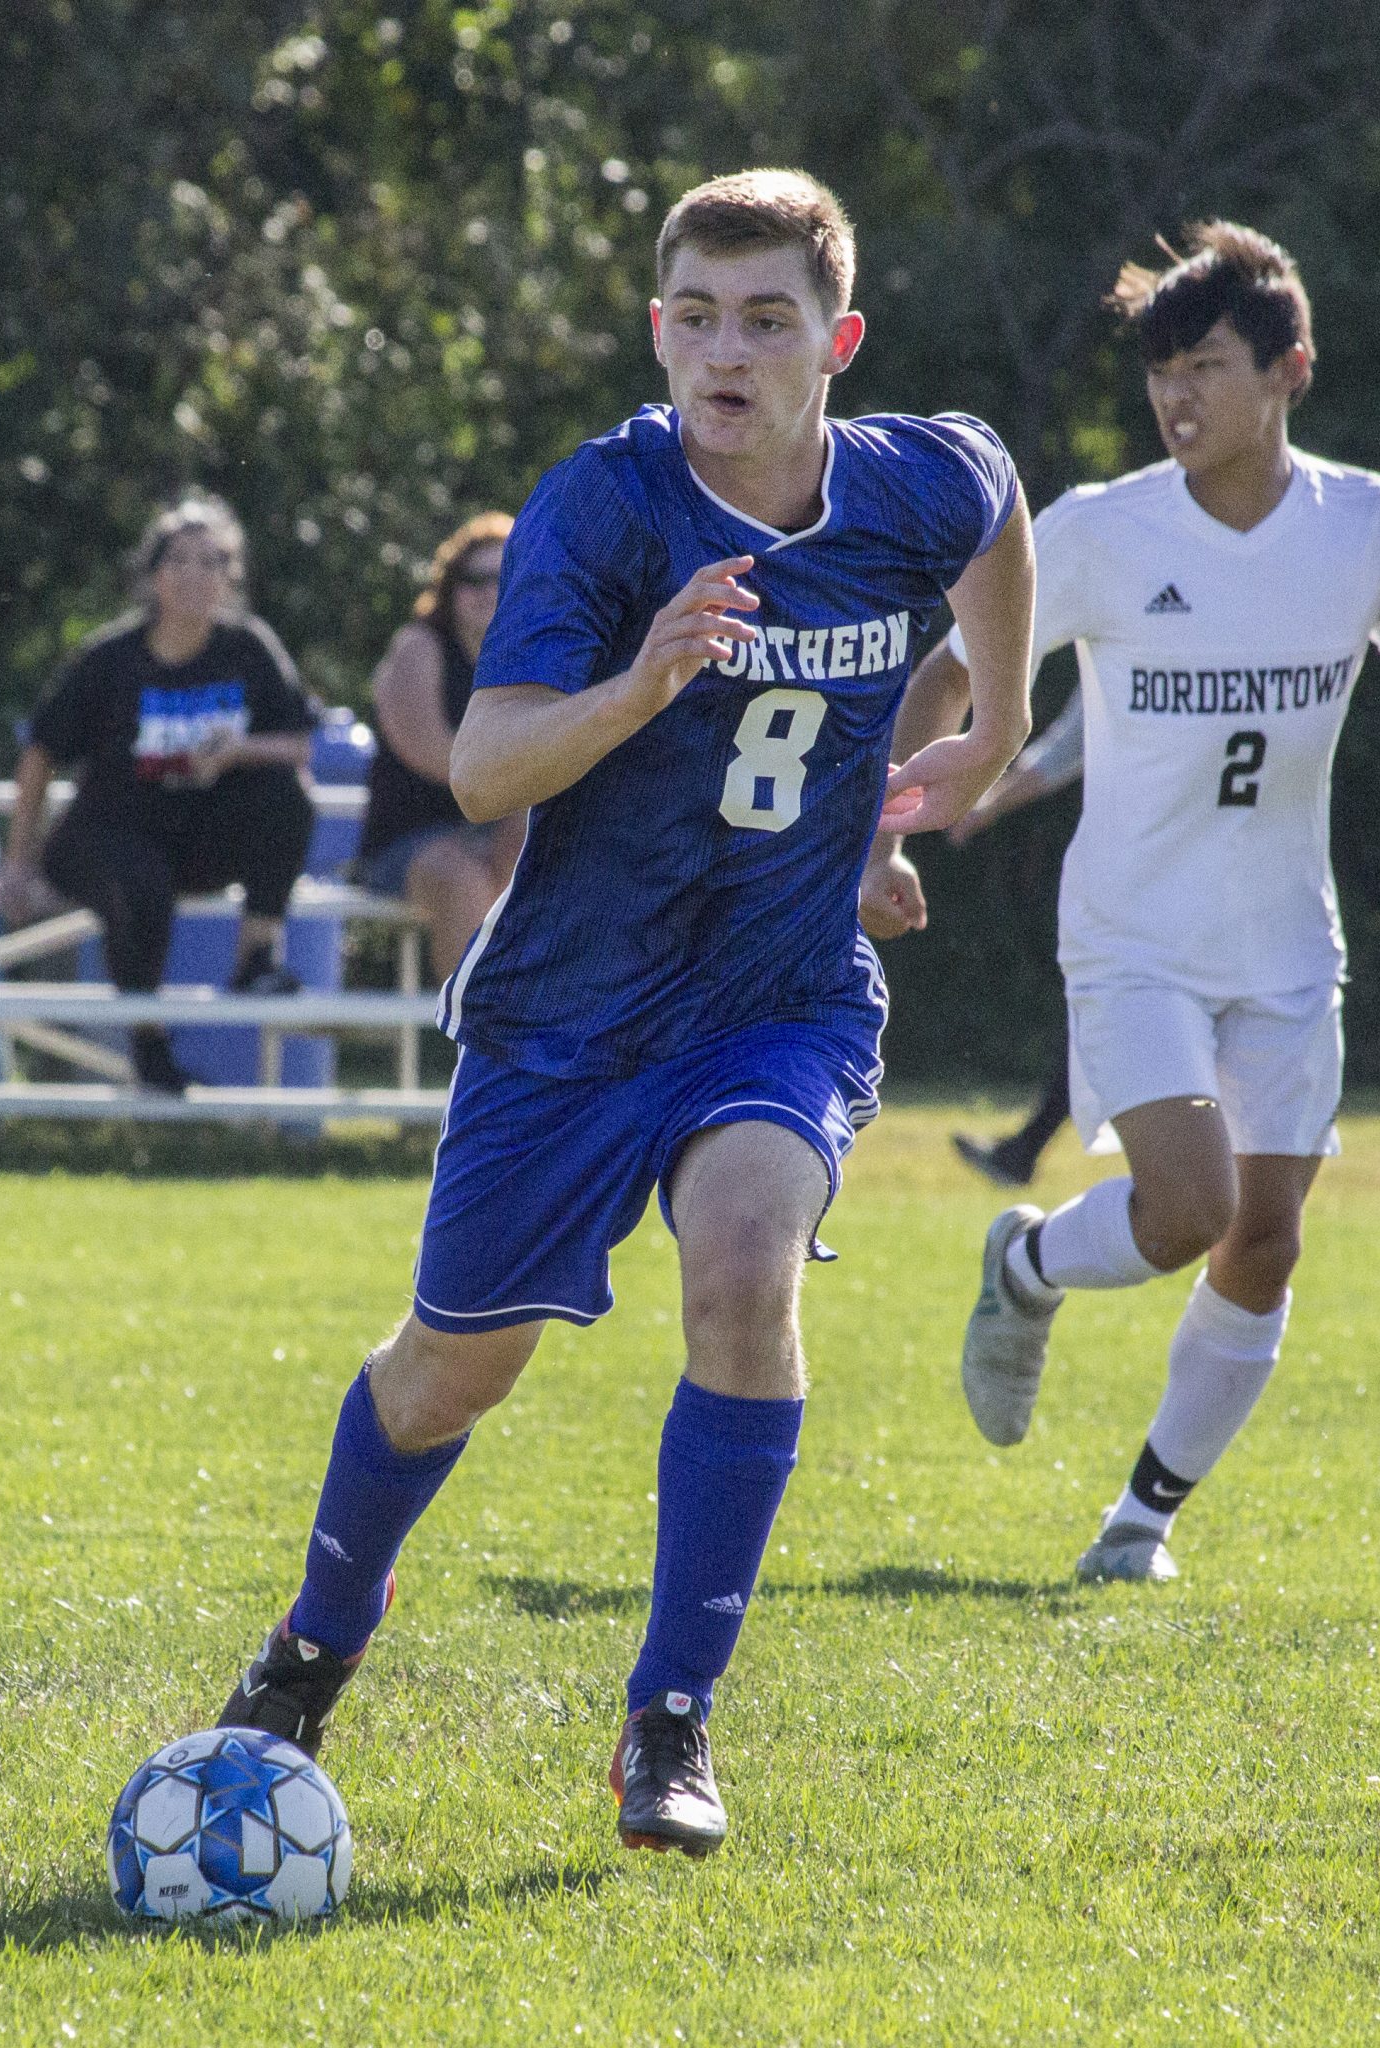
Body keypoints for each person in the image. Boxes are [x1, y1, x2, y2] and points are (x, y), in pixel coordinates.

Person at [215, 168, 1034, 1856]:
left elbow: (1003, 507)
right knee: (455, 1370)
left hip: (778, 999)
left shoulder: (913, 480)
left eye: (765, 318)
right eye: (693, 315)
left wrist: (996, 719)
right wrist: (643, 681)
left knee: (743, 1266)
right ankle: (312, 1643)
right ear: (658, 324)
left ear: (838, 341)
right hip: (569, 1018)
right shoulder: (603, 507)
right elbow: (485, 761)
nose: (723, 352)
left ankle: (671, 1720)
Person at [863, 222, 1380, 1585]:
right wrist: (889, 831)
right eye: (1160, 372)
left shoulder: (1368, 526)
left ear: (1287, 370)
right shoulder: (1101, 531)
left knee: (1263, 1242)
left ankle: (1139, 1522)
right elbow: (946, 677)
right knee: (1188, 1209)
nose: (1175, 399)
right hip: (1131, 936)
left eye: (1205, 368)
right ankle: (1029, 1266)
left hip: (1284, 943)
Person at [0, 497, 318, 1093]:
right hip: (105, 835)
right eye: (183, 560)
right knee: (139, 881)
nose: (199, 575)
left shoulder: (249, 648)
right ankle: (147, 1044)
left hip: (198, 837)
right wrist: (17, 863)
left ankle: (255, 958)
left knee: (287, 795)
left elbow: (298, 745)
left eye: (214, 561)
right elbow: (39, 754)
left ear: (231, 575)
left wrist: (234, 752)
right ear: (154, 576)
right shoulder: (108, 659)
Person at [356, 513, 528, 979]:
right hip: (411, 842)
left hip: (499, 833)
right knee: (463, 877)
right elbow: (437, 756)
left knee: (554, 852)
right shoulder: (418, 647)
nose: (487, 591)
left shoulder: (534, 656)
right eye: (473, 579)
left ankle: (535, 1026)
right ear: (449, 587)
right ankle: (472, 1041)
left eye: (503, 577)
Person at [943, 684, 1085, 1187]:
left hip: (1167, 887)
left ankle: (1023, 1156)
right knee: (1095, 1019)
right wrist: (989, 801)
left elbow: (1068, 747)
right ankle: (1023, 1151)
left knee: (1103, 1021)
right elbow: (1070, 744)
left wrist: (989, 802)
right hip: (1149, 883)